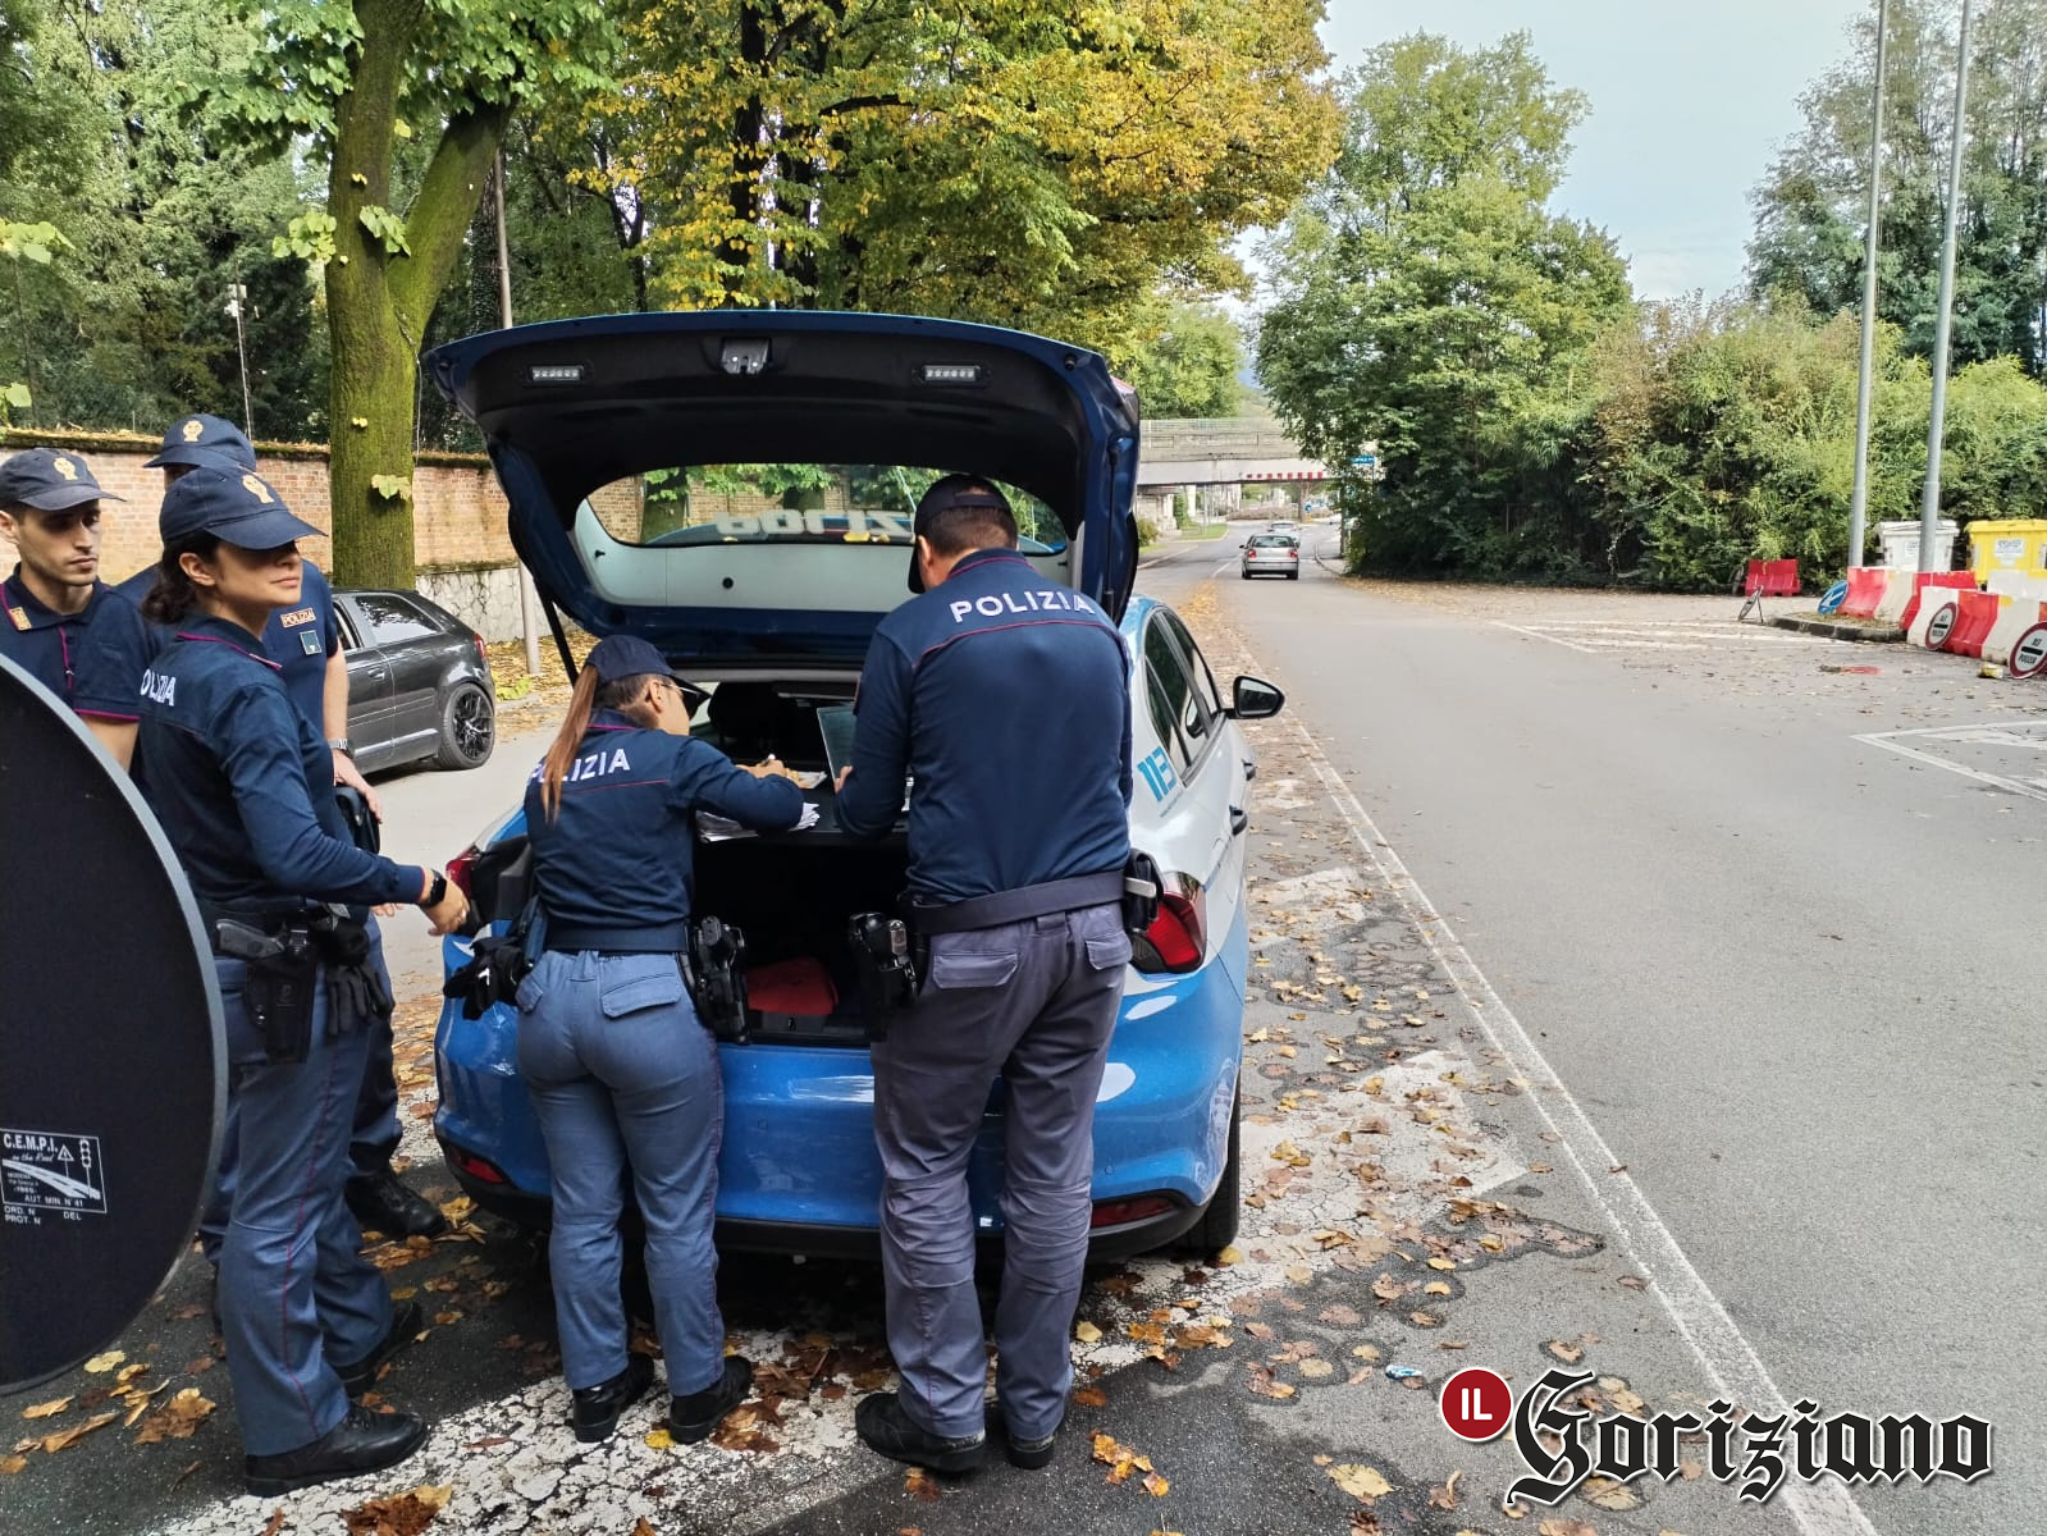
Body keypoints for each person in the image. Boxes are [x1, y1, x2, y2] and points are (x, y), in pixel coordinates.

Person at [135, 463, 470, 1494]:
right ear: (197, 566)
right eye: (258, 547)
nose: (289, 558)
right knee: (275, 1209)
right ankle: (295, 1433)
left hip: (220, 962)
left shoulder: (169, 664)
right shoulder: (237, 683)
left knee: (292, 1177)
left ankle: (355, 1331)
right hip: (279, 969)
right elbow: (295, 854)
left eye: (290, 541)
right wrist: (415, 879)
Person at [835, 476, 1134, 1474]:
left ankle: (947, 1419)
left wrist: (845, 789)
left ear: (927, 549)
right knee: (1052, 1169)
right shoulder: (1095, 624)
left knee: (925, 1169)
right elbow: (1111, 778)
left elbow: (867, 814)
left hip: (969, 946)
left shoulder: (913, 631)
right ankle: (1038, 1416)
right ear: (1009, 539)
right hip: (1093, 935)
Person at [123, 414, 443, 1242]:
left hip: (301, 856)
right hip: (267, 905)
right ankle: (259, 1289)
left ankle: (350, 1224)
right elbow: (154, 768)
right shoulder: (161, 626)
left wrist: (331, 750)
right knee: (272, 1173)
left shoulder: (284, 586)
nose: (187, 483)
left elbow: (329, 662)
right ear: (194, 557)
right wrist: (418, 885)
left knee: (345, 1071)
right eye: (177, 474)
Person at [517, 635, 805, 1444]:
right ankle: (696, 1390)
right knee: (675, 1212)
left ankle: (598, 1388)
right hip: (642, 1005)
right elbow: (779, 813)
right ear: (650, 697)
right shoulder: (670, 760)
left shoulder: (550, 770)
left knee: (581, 1213)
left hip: (550, 1001)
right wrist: (770, 778)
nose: (681, 710)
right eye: (678, 696)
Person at [0, 448, 151, 769]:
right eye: (59, 524)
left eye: (91, 519)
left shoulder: (138, 618)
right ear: (8, 526)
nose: (84, 540)